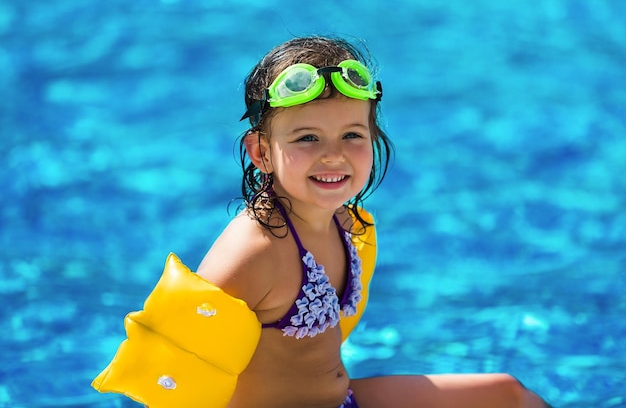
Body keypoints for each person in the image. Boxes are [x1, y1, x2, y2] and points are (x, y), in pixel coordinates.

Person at [92, 35, 552, 408]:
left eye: (352, 135)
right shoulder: (255, 251)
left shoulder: (346, 223)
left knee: (508, 395)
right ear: (261, 152)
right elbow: (181, 379)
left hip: (344, 399)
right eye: (307, 137)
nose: (333, 154)